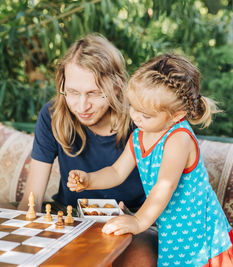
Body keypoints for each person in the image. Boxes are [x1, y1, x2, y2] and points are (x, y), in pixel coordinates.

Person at [68, 53, 233, 266]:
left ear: (177, 115)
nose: (135, 117)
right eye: (133, 107)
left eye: (146, 115)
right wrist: (89, 180)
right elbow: (116, 172)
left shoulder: (178, 139)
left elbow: (164, 186)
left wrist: (138, 221)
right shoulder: (139, 135)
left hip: (200, 234)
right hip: (172, 233)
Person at [18, 33, 158, 267]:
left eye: (93, 93)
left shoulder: (141, 120)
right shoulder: (52, 115)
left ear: (116, 86)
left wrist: (136, 219)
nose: (82, 106)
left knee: (137, 260)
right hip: (70, 215)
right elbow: (31, 196)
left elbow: (165, 192)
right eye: (72, 92)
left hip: (133, 219)